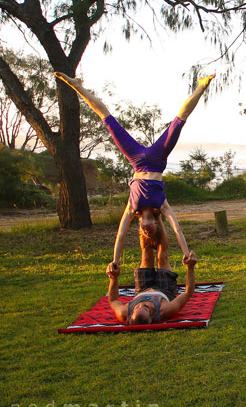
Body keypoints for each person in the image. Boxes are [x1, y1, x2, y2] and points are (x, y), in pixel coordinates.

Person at [54, 72, 214, 266]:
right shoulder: (161, 205)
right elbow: (177, 229)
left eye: (144, 232)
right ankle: (201, 86)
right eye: (151, 231)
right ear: (156, 224)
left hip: (136, 160)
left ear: (140, 226)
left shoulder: (132, 207)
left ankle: (77, 86)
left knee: (107, 119)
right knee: (179, 121)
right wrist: (186, 254)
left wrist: (115, 261)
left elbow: (121, 234)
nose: (147, 231)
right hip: (157, 159)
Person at [106, 213, 197, 324]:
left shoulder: (124, 313)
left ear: (132, 313)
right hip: (165, 290)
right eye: (146, 308)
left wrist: (113, 278)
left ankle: (144, 216)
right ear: (152, 316)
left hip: (142, 290)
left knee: (146, 254)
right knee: (162, 256)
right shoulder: (164, 310)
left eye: (138, 306)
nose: (142, 304)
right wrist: (190, 268)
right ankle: (158, 216)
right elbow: (188, 293)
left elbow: (113, 300)